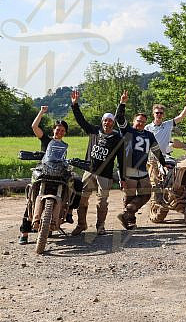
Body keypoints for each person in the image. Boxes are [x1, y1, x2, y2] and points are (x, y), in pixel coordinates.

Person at [19, 107, 79, 244]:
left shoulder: (65, 145)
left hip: (58, 174)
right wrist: (41, 112)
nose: (59, 132)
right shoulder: (45, 140)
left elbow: (63, 159)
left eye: (62, 130)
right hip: (44, 172)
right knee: (31, 201)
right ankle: (24, 233)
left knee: (77, 183)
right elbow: (34, 127)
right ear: (53, 130)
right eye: (58, 129)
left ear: (65, 133)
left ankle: (69, 211)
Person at [70, 90, 125, 236]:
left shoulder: (117, 138)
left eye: (110, 121)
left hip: (105, 175)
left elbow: (121, 160)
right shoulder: (94, 131)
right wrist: (75, 105)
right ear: (102, 121)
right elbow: (81, 121)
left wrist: (122, 178)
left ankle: (100, 226)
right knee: (82, 199)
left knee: (102, 202)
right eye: (105, 120)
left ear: (113, 123)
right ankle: (81, 224)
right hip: (89, 171)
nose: (107, 123)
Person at [114, 91, 168, 230]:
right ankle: (129, 221)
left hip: (143, 170)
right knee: (130, 196)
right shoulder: (127, 131)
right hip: (129, 169)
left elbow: (156, 150)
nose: (140, 124)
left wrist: (163, 163)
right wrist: (122, 103)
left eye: (143, 122)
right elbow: (119, 117)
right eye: (138, 121)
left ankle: (126, 213)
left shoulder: (149, 135)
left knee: (146, 194)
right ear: (133, 121)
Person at [144, 92, 186, 187]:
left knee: (173, 174)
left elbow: (181, 116)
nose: (159, 114)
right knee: (155, 182)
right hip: (153, 158)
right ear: (153, 114)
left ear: (163, 115)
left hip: (166, 156)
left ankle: (170, 193)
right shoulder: (147, 128)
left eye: (161, 113)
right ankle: (156, 195)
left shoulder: (168, 124)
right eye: (157, 113)